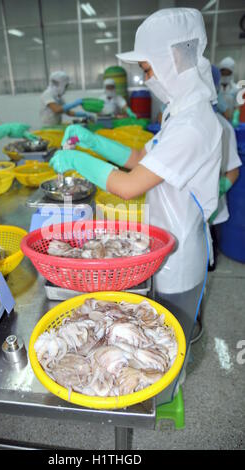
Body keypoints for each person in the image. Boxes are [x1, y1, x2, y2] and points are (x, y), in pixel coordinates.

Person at [50, 8, 223, 404]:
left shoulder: (195, 123)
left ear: (172, 60)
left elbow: (129, 186)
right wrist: (96, 143)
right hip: (164, 238)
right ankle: (153, 385)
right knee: (154, 326)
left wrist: (79, 162)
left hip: (180, 253)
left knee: (169, 335)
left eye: (148, 67)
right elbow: (140, 157)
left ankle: (162, 395)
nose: (146, 78)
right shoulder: (180, 112)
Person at [209, 65, 241, 270]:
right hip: (182, 210)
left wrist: (216, 189)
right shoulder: (176, 123)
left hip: (210, 204)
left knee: (207, 253)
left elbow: (233, 170)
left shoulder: (223, 127)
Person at [218, 56, 239, 122]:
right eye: (223, 72)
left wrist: (235, 118)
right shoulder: (216, 88)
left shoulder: (235, 89)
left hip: (229, 120)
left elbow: (237, 107)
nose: (225, 74)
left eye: (227, 72)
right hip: (216, 120)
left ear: (232, 72)